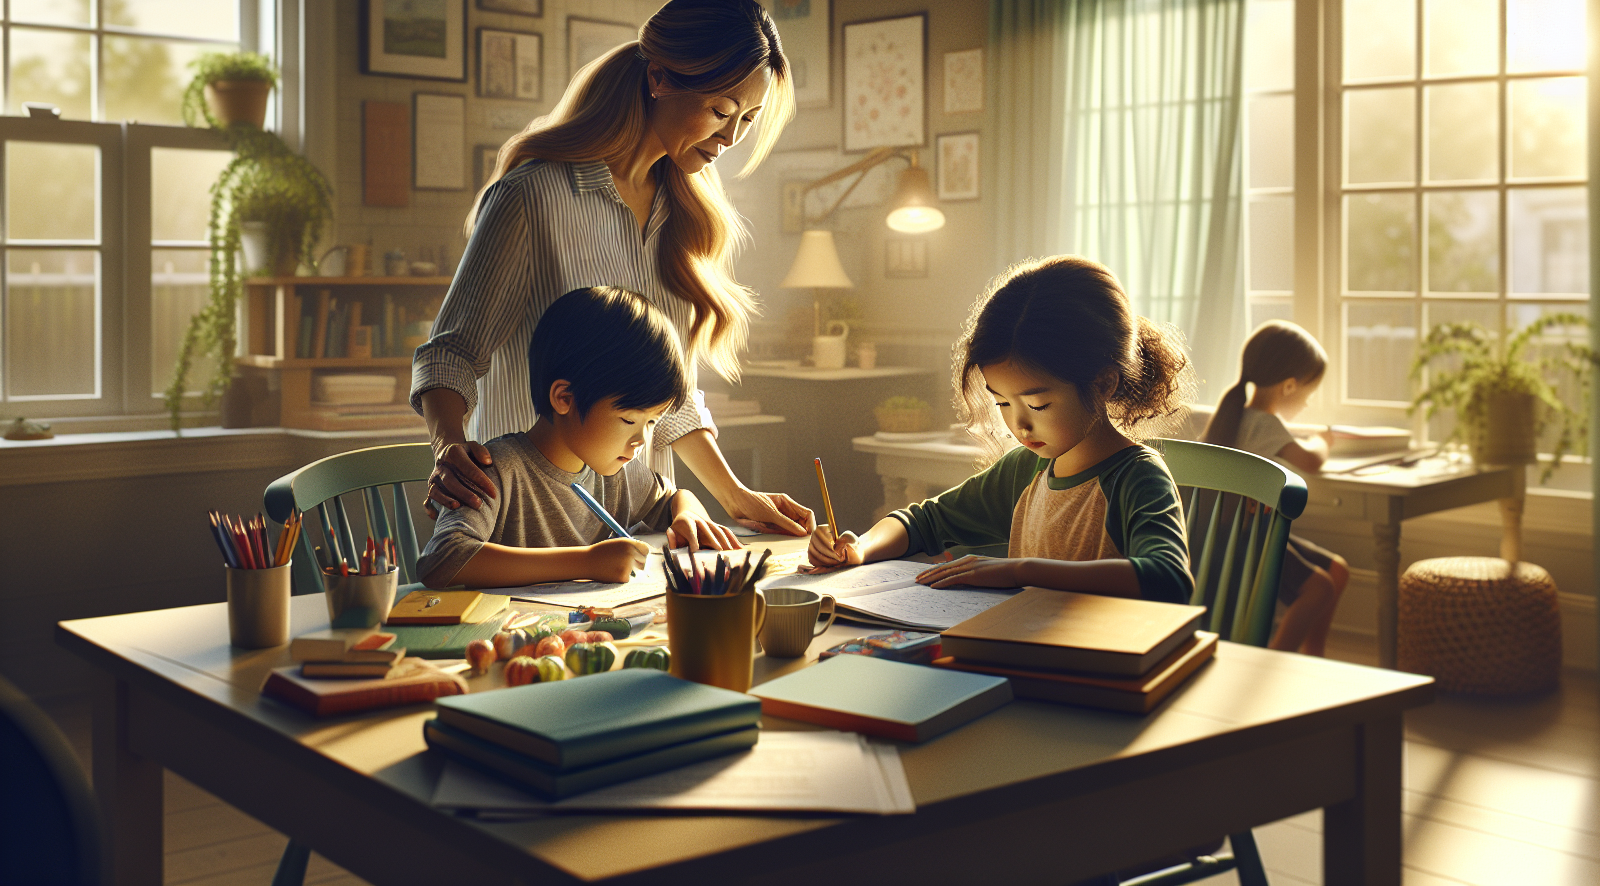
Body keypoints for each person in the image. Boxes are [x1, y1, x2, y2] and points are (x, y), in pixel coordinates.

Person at [412, 0, 812, 539]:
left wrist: (736, 498)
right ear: (659, 78)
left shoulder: (685, 217)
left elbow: (667, 398)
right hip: (529, 530)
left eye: (748, 119)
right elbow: (450, 354)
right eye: (720, 111)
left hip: (634, 531)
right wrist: (450, 449)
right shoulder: (533, 197)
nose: (731, 137)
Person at [806, 256, 1194, 605]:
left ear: (1104, 383)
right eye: (1002, 403)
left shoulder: (1135, 477)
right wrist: (861, 547)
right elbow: (924, 521)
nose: (1018, 424)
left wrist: (1021, 570)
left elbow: (1169, 579)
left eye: (1038, 405)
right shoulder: (1025, 469)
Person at [417, 287, 743, 589]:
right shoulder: (494, 472)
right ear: (564, 398)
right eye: (629, 419)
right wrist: (586, 562)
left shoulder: (619, 475)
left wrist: (688, 516)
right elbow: (441, 560)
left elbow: (675, 498)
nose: (641, 439)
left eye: (652, 421)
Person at [1202, 319, 1351, 656]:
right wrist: (1323, 440)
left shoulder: (1234, 417)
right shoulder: (1265, 423)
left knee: (1337, 571)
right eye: (1307, 394)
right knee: (1319, 589)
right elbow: (1311, 461)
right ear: (1288, 387)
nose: (1307, 404)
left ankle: (1314, 654)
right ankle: (1274, 658)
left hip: (1238, 529)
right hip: (1242, 537)